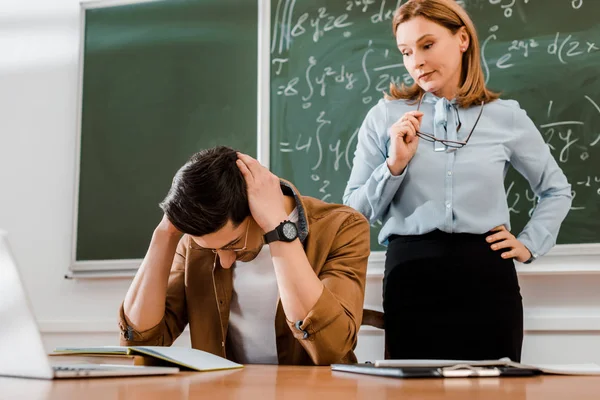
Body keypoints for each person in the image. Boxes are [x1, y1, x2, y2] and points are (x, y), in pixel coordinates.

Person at [343, 0, 572, 362]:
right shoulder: (384, 117)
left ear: (462, 39)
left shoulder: (506, 118)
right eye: (405, 51)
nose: (415, 61)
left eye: (427, 45)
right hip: (411, 278)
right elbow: (352, 214)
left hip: (487, 277)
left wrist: (530, 243)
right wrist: (394, 165)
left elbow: (556, 190)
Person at [119, 146, 370, 366]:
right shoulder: (194, 245)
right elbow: (142, 344)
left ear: (255, 206)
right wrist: (165, 234)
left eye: (234, 244)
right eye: (212, 250)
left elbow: (332, 348)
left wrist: (277, 228)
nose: (225, 261)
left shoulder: (342, 227)